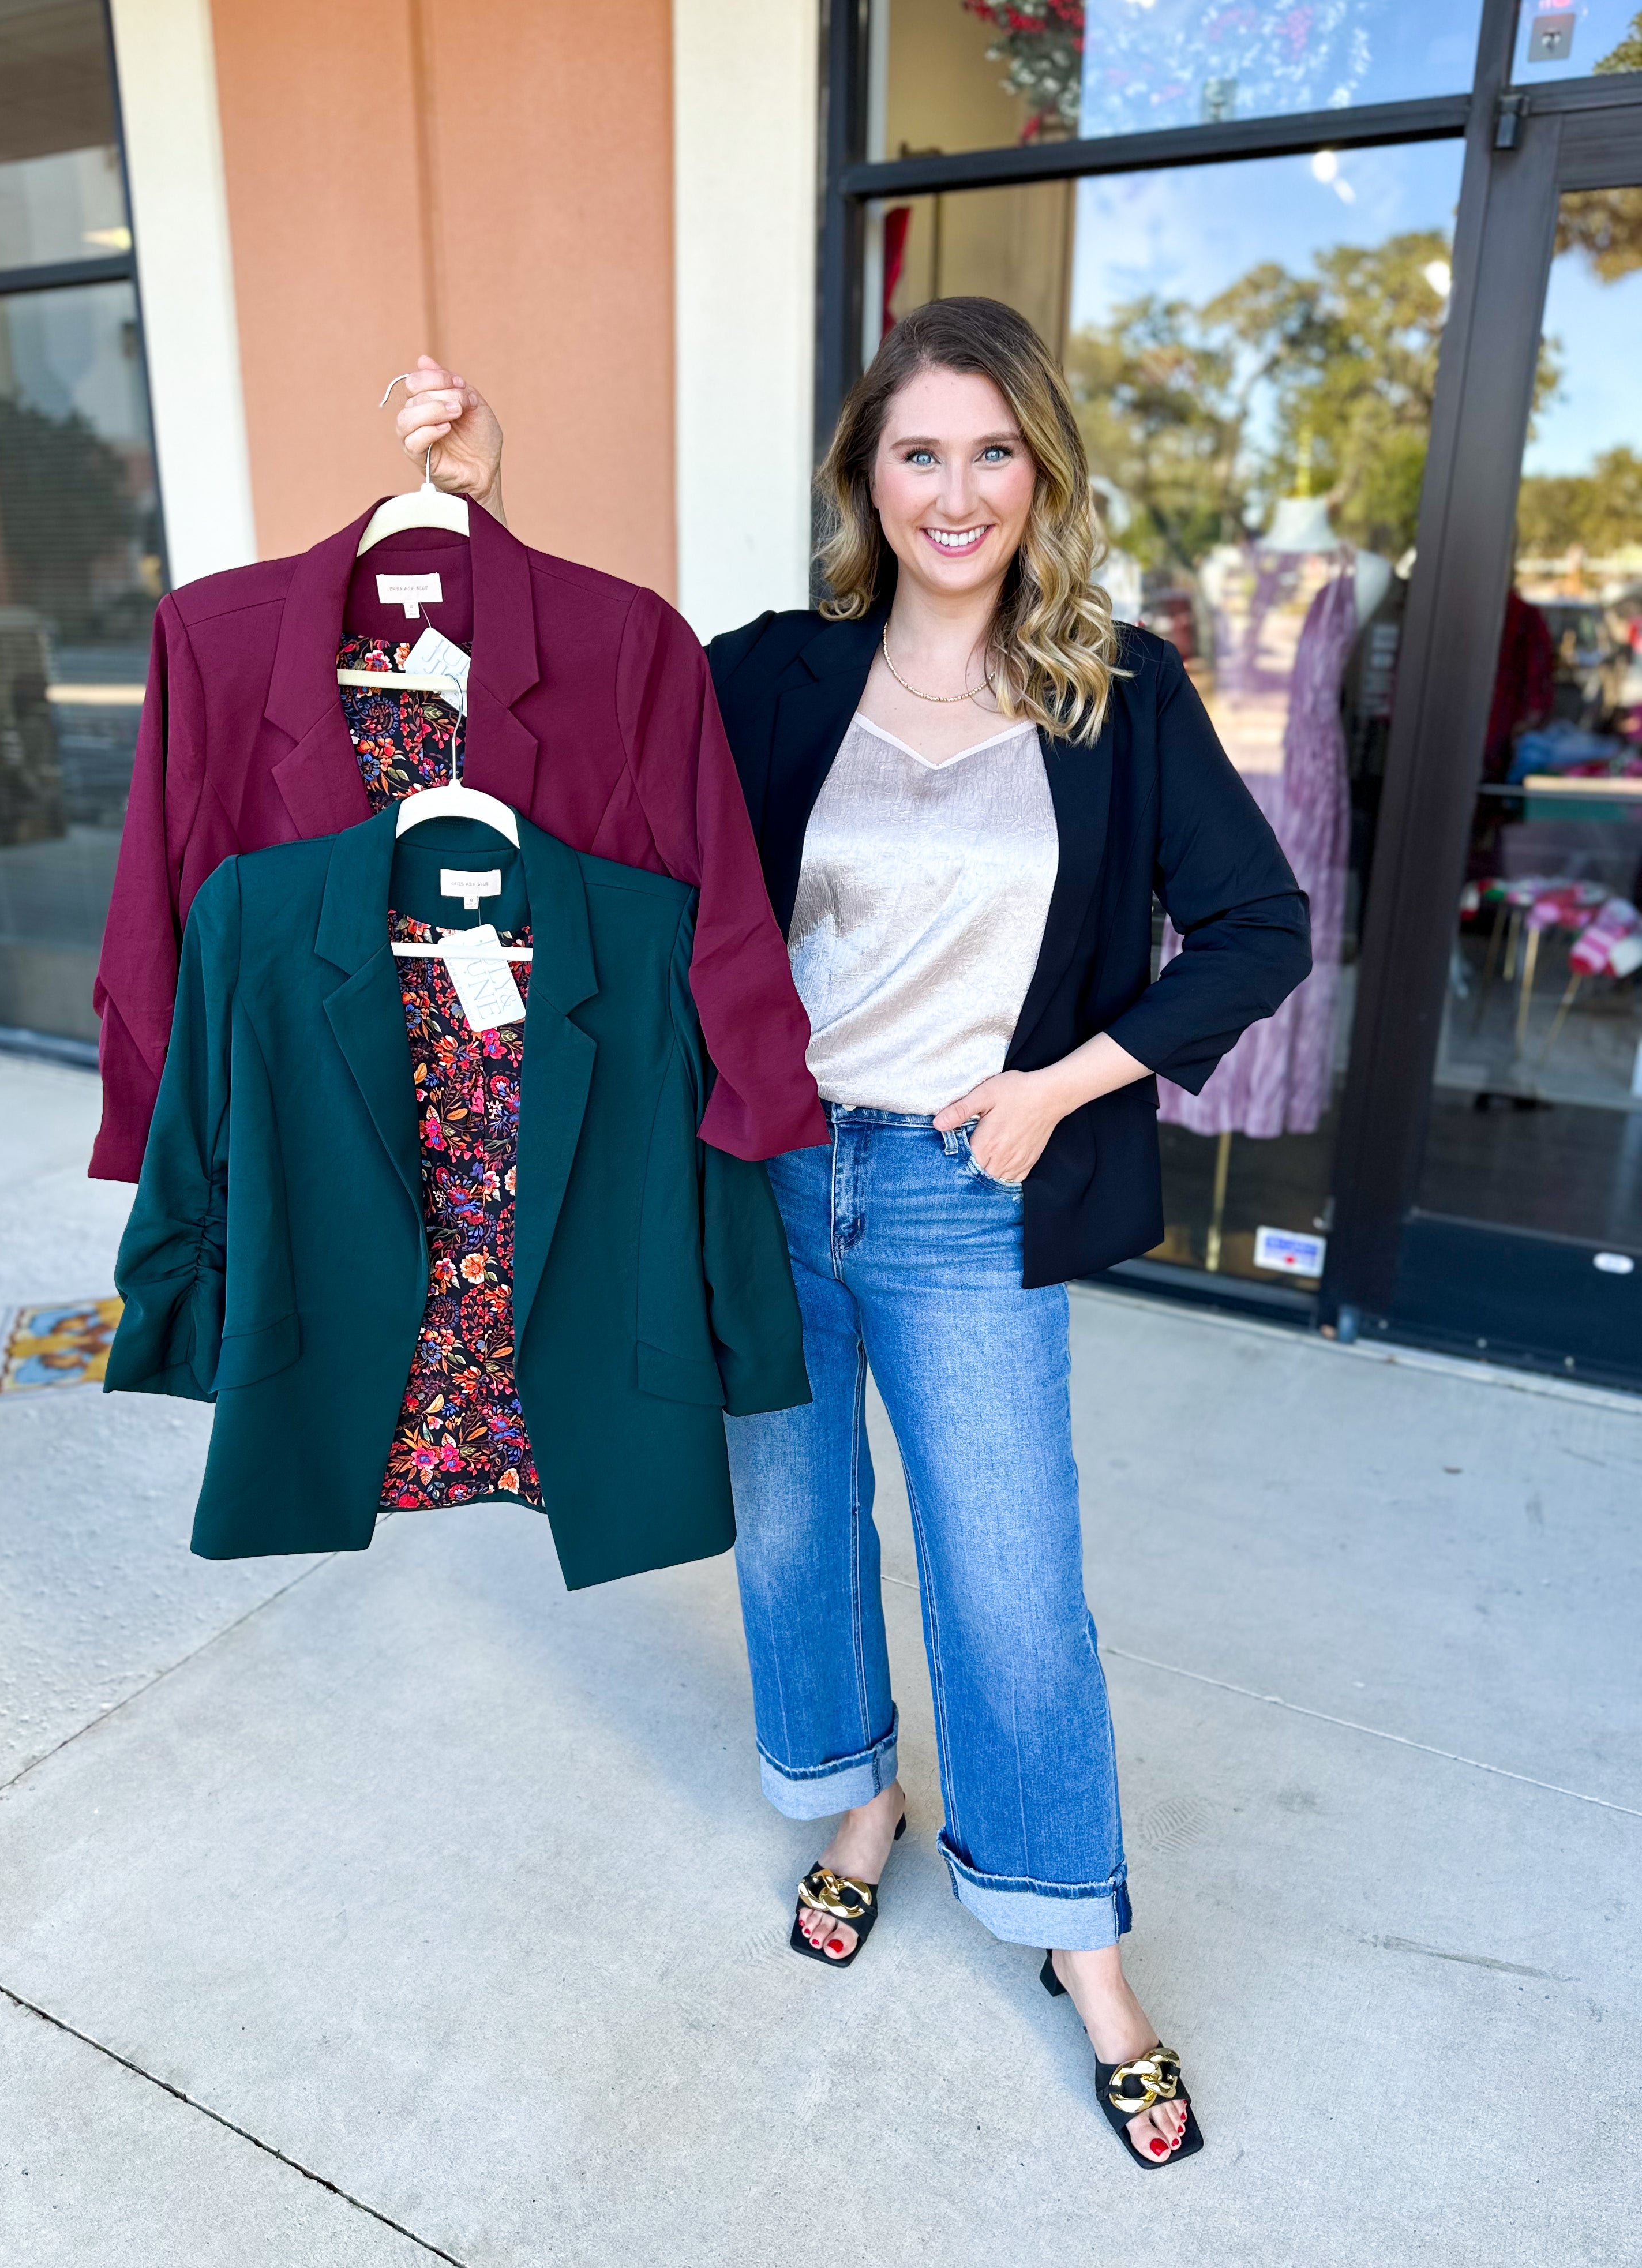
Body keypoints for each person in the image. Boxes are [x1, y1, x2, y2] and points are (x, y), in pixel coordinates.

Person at [389, 302, 1309, 2168]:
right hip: (779, 1175)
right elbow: (584, 722)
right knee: (799, 1532)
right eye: (917, 453)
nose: (954, 490)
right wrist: (487, 515)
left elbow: (1257, 930)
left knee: (1012, 1590)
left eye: (990, 451)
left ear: (1038, 468)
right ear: (865, 478)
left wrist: (1063, 1083)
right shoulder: (780, 678)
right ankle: (857, 1802)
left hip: (976, 1198)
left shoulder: (1116, 691)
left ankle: (1081, 1937)